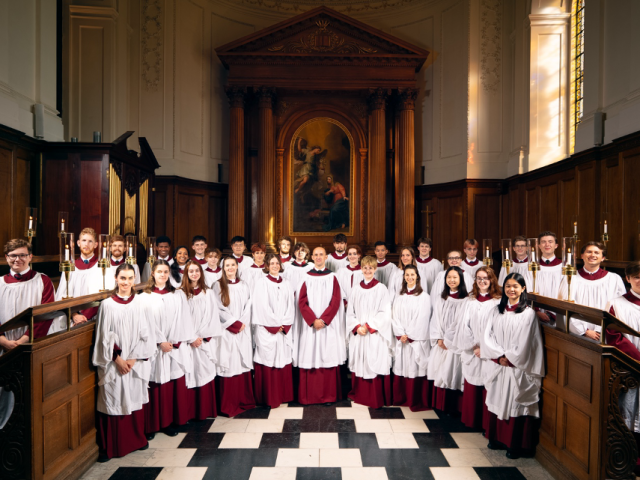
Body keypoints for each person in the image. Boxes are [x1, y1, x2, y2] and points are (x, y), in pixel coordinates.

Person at [93, 263, 155, 462]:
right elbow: (103, 337)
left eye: (130, 278)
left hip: (134, 362)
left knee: (134, 396)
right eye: (123, 278)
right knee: (114, 398)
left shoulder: (142, 304)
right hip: (114, 362)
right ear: (116, 279)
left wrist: (133, 359)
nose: (126, 282)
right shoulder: (107, 305)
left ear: (134, 280)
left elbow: (148, 334)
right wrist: (118, 359)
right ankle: (111, 447)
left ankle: (137, 440)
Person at [481, 273, 544, 459]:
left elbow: (525, 342)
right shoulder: (496, 311)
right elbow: (487, 336)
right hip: (499, 365)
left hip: (517, 367)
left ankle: (515, 444)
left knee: (515, 400)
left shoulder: (528, 314)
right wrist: (498, 356)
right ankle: (497, 438)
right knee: (498, 397)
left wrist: (509, 358)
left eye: (515, 286)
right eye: (508, 286)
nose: (511, 289)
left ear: (523, 289)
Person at [142, 259, 196, 439]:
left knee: (172, 384)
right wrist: (160, 341)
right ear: (153, 274)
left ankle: (171, 422)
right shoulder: (145, 297)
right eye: (159, 272)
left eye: (166, 272)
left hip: (174, 347)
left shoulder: (177, 295)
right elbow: (145, 324)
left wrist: (173, 341)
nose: (163, 275)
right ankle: (153, 424)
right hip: (156, 349)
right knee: (156, 385)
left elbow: (183, 319)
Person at [453, 266, 501, 429]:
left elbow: (498, 328)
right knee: (473, 385)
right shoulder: (470, 300)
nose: (482, 281)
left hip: (489, 352)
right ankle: (473, 420)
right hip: (473, 351)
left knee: (489, 385)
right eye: (479, 278)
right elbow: (462, 325)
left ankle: (486, 423)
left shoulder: (498, 301)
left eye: (485, 278)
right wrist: (474, 346)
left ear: (492, 280)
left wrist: (485, 349)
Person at [297, 247, 346, 405]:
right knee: (310, 355)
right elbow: (301, 301)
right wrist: (312, 320)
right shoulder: (305, 277)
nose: (318, 257)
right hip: (310, 326)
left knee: (327, 354)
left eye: (321, 255)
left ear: (326, 257)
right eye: (315, 255)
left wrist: (323, 320)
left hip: (327, 326)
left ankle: (328, 396)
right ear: (312, 257)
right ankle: (309, 396)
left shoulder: (333, 277)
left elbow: (336, 300)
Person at [346, 256, 393, 408]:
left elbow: (384, 312)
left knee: (374, 360)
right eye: (365, 267)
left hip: (374, 333)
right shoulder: (355, 289)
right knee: (360, 361)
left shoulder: (381, 289)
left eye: (370, 268)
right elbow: (350, 312)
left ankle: (374, 397)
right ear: (361, 269)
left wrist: (368, 326)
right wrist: (356, 326)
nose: (367, 270)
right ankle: (359, 394)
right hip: (359, 333)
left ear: (375, 269)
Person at [606, 261, 640, 462]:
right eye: (637, 277)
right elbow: (614, 336)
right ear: (627, 279)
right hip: (630, 369)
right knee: (629, 413)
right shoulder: (616, 304)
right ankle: (630, 460)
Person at [213, 256, 255, 417]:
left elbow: (249, 306)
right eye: (227, 265)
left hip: (242, 331)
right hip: (227, 331)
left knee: (242, 362)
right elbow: (217, 308)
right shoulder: (217, 285)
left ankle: (244, 400)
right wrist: (234, 324)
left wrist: (242, 323)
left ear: (237, 266)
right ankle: (228, 404)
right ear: (223, 268)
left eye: (232, 265)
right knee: (229, 363)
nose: (230, 268)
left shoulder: (244, 285)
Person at [252, 254, 295, 408]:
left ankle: (283, 395)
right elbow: (261, 306)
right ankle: (269, 397)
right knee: (268, 360)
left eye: (277, 263)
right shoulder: (261, 283)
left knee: (282, 358)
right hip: (267, 330)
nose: (275, 266)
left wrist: (285, 323)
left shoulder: (287, 283)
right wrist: (275, 325)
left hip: (283, 329)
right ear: (267, 266)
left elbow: (291, 305)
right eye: (272, 263)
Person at [559, 241, 626, 340]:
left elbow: (620, 308)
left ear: (603, 258)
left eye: (596, 252)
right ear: (582, 255)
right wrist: (583, 331)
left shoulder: (614, 279)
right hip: (578, 334)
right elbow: (565, 306)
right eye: (589, 252)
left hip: (606, 333)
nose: (592, 255)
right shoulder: (570, 278)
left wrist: (603, 329)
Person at [182, 261, 221, 421]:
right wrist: (191, 338)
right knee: (189, 372)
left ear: (201, 273)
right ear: (186, 273)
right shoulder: (181, 293)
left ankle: (205, 409)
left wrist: (202, 337)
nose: (194, 274)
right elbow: (181, 319)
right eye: (191, 271)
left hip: (204, 340)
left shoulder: (208, 293)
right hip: (188, 341)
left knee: (204, 370)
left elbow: (213, 316)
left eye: (197, 271)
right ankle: (190, 411)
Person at [427, 266, 469, 414]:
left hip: (456, 342)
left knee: (454, 372)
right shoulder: (441, 297)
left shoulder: (466, 300)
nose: (451, 280)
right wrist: (439, 337)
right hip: (441, 342)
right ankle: (440, 405)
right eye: (449, 277)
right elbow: (436, 318)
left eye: (455, 277)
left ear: (461, 279)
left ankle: (454, 407)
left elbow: (462, 322)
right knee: (441, 370)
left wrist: (451, 339)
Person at [0, 239, 55, 350]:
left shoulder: (43, 280)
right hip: (3, 345)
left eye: (22, 255)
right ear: (6, 257)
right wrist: (3, 341)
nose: (17, 259)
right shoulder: (0, 283)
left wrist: (24, 340)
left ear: (30, 257)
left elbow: (46, 314)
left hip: (33, 343)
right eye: (13, 256)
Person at [392, 265, 432, 411]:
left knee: (416, 367)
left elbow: (423, 318)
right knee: (402, 366)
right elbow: (394, 316)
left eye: (412, 275)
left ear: (417, 277)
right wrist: (400, 333)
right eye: (407, 275)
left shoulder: (424, 297)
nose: (409, 277)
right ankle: (402, 398)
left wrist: (409, 335)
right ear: (404, 277)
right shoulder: (399, 297)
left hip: (415, 340)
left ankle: (415, 399)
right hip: (403, 339)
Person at [51, 227, 103, 332]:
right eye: (84, 240)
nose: (86, 244)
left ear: (96, 244)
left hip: (94, 317)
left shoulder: (101, 265)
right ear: (78, 243)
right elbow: (62, 294)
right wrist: (74, 315)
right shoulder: (70, 267)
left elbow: (103, 295)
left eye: (90, 241)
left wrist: (84, 317)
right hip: (72, 318)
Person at [282, 242, 313, 369]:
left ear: (307, 253)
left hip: (307, 303)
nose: (300, 253)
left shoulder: (311, 266)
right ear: (293, 253)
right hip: (292, 302)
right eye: (297, 251)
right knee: (294, 329)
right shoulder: (287, 266)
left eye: (303, 250)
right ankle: (293, 359)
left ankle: (305, 357)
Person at [529, 231, 563, 324]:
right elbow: (527, 289)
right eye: (543, 242)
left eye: (550, 241)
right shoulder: (532, 267)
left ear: (556, 245)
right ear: (539, 246)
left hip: (559, 313)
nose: (547, 244)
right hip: (536, 313)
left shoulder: (564, 267)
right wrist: (536, 311)